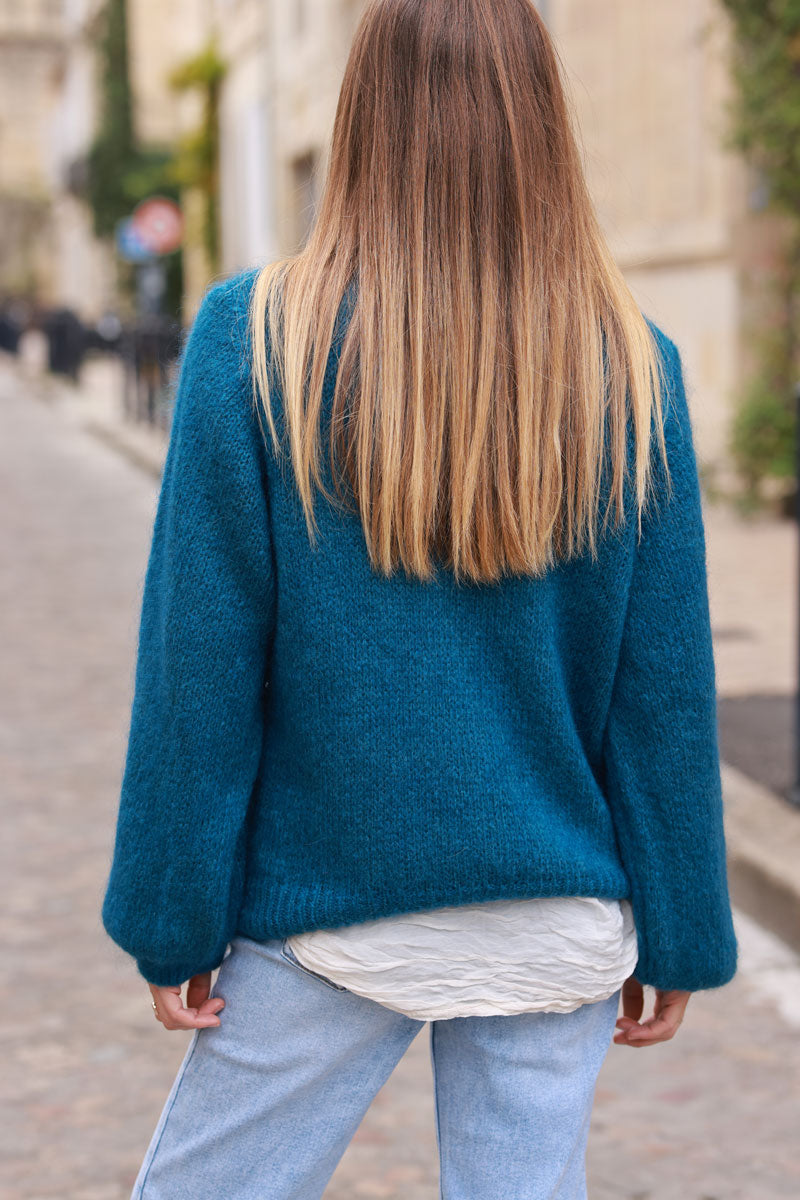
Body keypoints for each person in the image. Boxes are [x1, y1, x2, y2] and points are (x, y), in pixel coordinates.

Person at [100, 1, 738, 1197]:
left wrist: (172, 912)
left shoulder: (257, 340)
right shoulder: (626, 362)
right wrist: (684, 924)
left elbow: (200, 667)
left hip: (328, 908)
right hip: (555, 912)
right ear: (541, 127)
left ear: (361, 120)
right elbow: (661, 694)